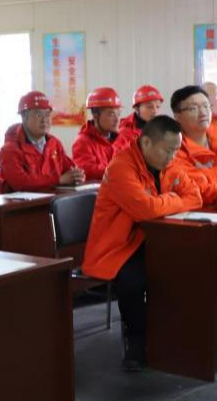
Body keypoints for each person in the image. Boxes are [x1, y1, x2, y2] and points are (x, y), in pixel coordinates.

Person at [83, 116, 202, 371]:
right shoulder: (121, 168)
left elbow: (195, 197)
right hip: (119, 244)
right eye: (167, 150)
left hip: (154, 239)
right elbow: (145, 210)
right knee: (133, 281)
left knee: (187, 264)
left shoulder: (170, 163)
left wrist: (164, 202)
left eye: (176, 150)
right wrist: (174, 200)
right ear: (146, 142)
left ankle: (175, 334)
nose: (172, 157)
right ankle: (135, 340)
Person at [0, 91, 84, 193]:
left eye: (47, 115)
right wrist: (58, 180)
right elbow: (20, 183)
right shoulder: (10, 149)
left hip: (49, 199)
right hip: (16, 202)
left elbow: (70, 169)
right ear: (24, 117)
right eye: (38, 115)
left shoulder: (54, 143)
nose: (44, 120)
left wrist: (77, 175)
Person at [72, 87, 122, 181]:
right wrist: (119, 170)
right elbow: (87, 170)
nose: (117, 120)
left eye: (118, 114)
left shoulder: (119, 140)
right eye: (111, 114)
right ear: (95, 116)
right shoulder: (82, 142)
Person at [113, 85, 164, 152]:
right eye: (149, 107)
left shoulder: (162, 130)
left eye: (158, 107)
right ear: (136, 108)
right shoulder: (124, 133)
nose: (155, 111)